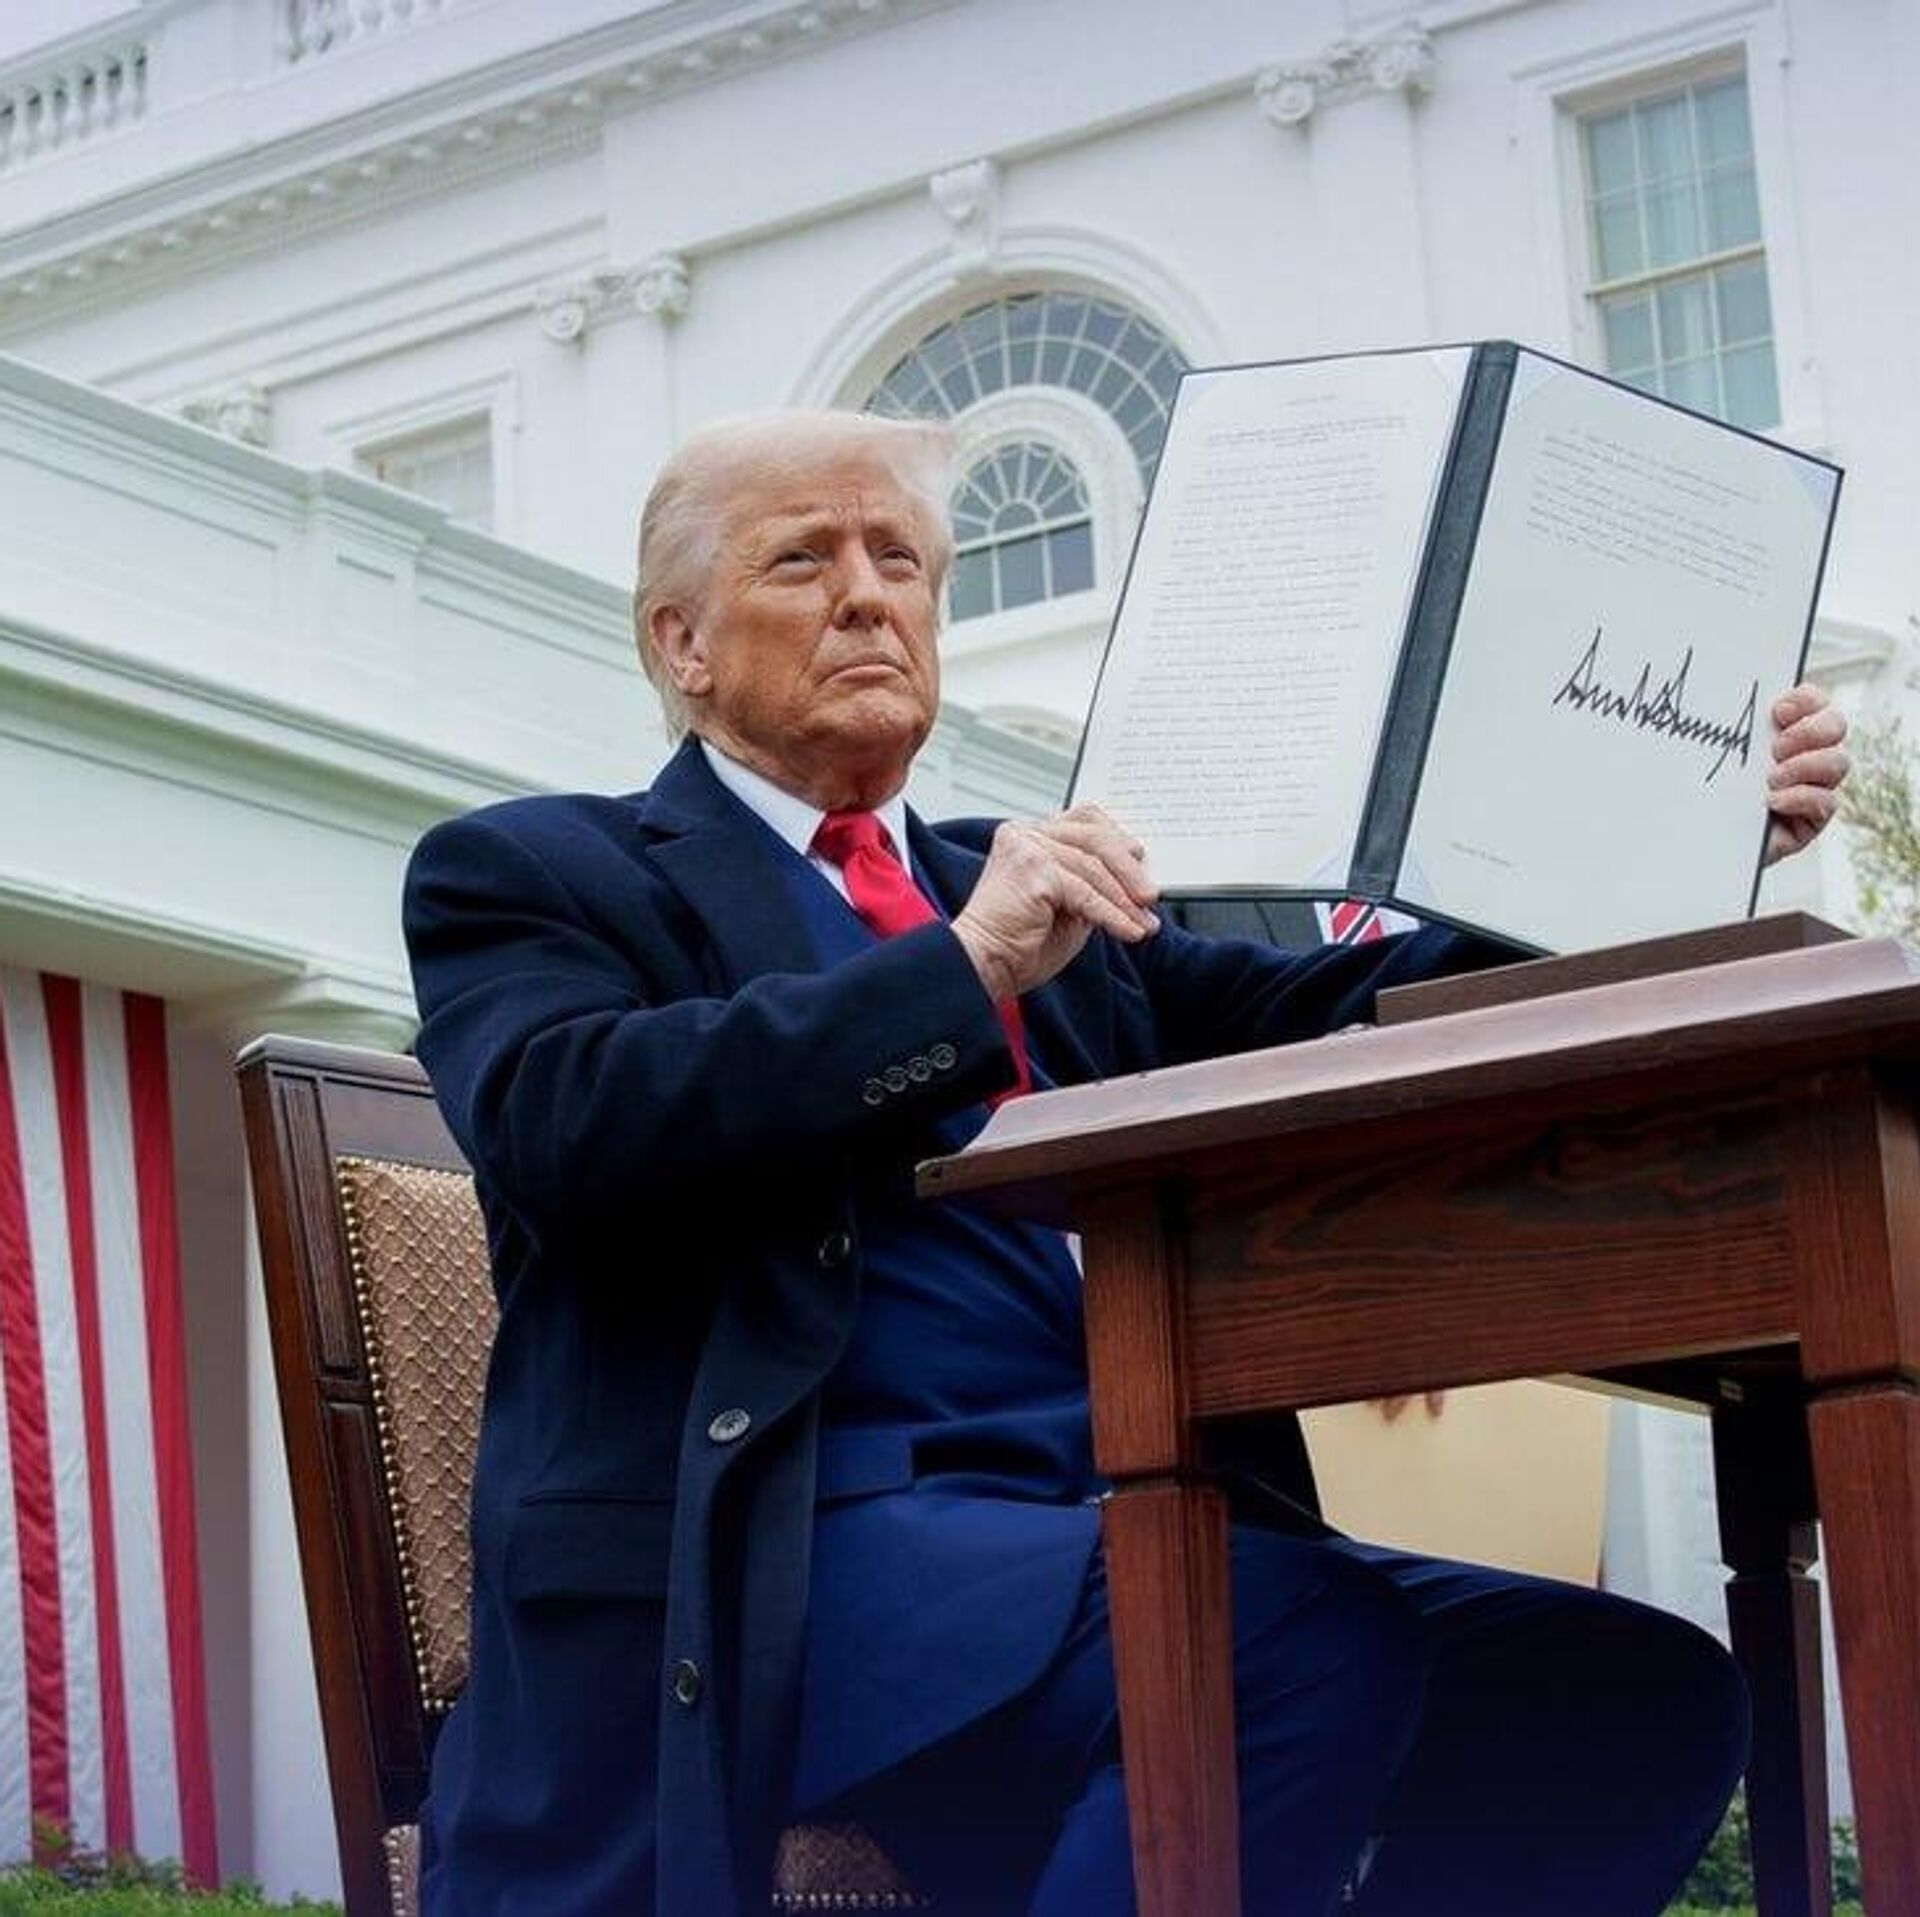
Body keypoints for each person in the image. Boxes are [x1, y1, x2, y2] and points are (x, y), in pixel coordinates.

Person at [401, 408, 1851, 1917]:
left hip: (1119, 1518)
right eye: (804, 559)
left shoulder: (1036, 893)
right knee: (1279, 1646)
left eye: (901, 559)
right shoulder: (536, 872)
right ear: (683, 642)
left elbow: (1350, 1007)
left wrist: (1657, 841)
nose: (869, 595)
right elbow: (564, 1124)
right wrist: (963, 973)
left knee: (1636, 1696)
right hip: (780, 1563)